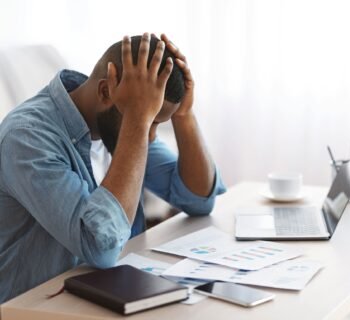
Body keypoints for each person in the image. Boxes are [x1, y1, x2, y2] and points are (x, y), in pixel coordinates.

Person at [0, 33, 226, 303]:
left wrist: (184, 115)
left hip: (111, 294)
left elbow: (199, 199)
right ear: (106, 91)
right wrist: (138, 119)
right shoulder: (27, 137)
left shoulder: (116, 121)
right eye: (150, 121)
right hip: (38, 307)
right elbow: (100, 246)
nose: (151, 136)